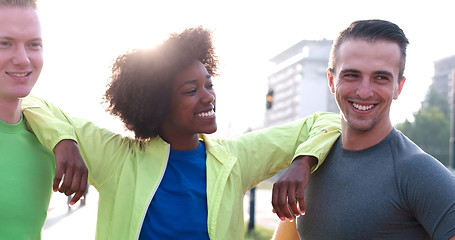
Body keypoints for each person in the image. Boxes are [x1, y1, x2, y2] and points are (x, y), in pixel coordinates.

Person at [22, 26, 342, 239]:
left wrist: (303, 162)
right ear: (158, 103)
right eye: (191, 90)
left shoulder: (236, 158)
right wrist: (64, 141)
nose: (208, 96)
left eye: (209, 84)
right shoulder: (118, 158)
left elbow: (329, 121)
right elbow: (31, 101)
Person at [272, 19, 455, 240]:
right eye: (352, 75)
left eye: (381, 77)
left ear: (399, 87)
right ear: (331, 80)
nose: (365, 91)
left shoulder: (418, 172)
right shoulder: (311, 161)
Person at [0, 0, 88, 238]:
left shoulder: (46, 137)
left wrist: (63, 139)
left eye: (33, 44)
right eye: (4, 43)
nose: (23, 59)